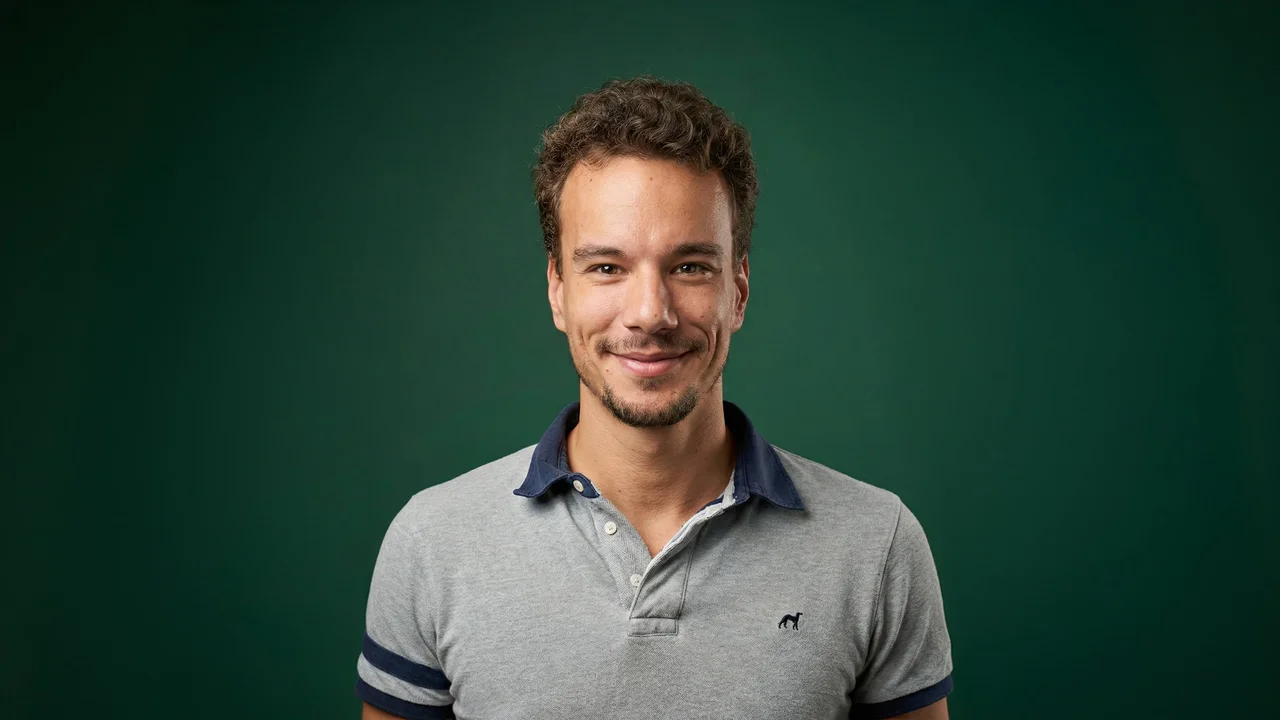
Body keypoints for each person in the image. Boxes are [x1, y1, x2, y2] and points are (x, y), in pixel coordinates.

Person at [355, 75, 953, 720]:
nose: (650, 313)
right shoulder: (433, 543)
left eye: (690, 267)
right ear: (558, 290)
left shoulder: (876, 544)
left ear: (738, 291)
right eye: (606, 268)